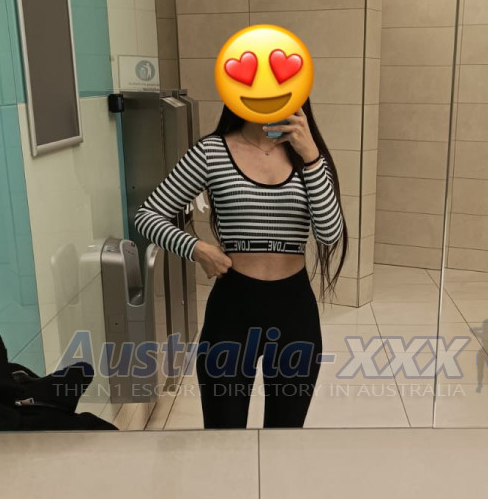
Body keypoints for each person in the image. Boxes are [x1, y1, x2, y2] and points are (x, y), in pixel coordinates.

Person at [135, 99, 346, 429]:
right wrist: (197, 249)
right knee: (224, 436)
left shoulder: (307, 156)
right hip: (233, 309)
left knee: (285, 436)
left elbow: (329, 233)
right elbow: (148, 216)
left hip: (294, 311)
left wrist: (311, 157)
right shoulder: (211, 152)